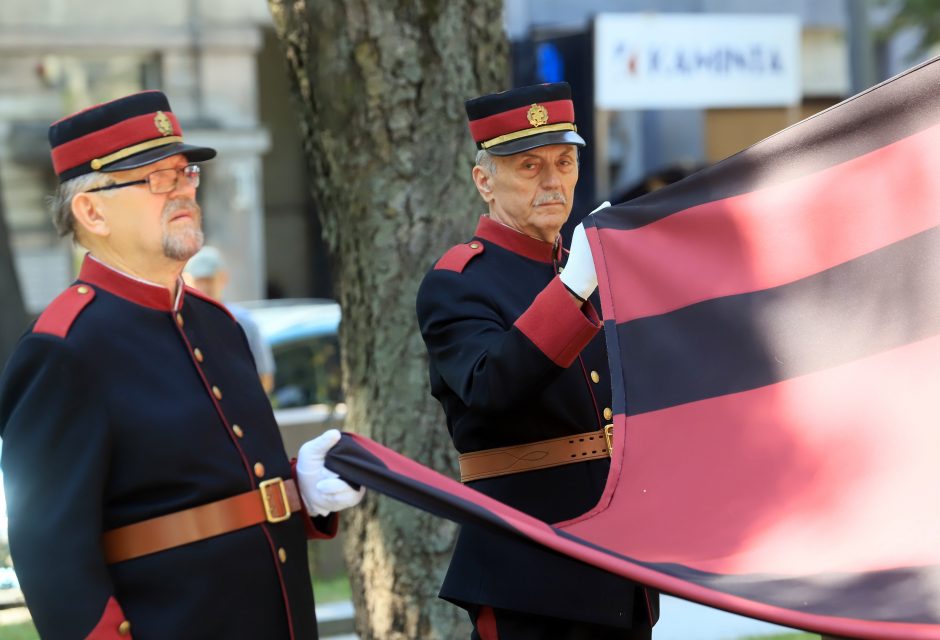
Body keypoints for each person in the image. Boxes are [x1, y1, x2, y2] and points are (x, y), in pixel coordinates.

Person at [0, 90, 363, 639]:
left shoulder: (217, 325)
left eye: (185, 173)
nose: (185, 192)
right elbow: (53, 564)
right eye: (155, 180)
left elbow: (203, 495)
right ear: (92, 210)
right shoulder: (63, 349)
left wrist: (296, 490)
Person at [416, 82, 659, 639]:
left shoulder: (589, 268)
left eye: (565, 162)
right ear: (485, 181)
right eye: (529, 166)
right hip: (529, 570)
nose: (553, 181)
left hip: (620, 560)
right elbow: (490, 386)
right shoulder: (458, 283)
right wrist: (573, 290)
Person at [184, 245, 277, 393]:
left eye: (209, 280)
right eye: (199, 280)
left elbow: (265, 378)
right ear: (186, 280)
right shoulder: (179, 322)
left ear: (223, 278)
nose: (203, 287)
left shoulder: (242, 322)